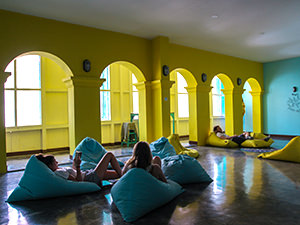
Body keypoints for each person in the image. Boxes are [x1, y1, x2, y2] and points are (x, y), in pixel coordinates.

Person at [36, 151, 122, 187]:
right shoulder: (59, 172)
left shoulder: (58, 170)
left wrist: (75, 163)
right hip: (90, 178)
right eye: (55, 162)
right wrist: (77, 166)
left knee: (117, 174)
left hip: (88, 174)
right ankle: (124, 177)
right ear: (50, 166)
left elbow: (74, 174)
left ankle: (124, 176)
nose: (57, 163)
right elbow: (78, 182)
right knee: (109, 155)